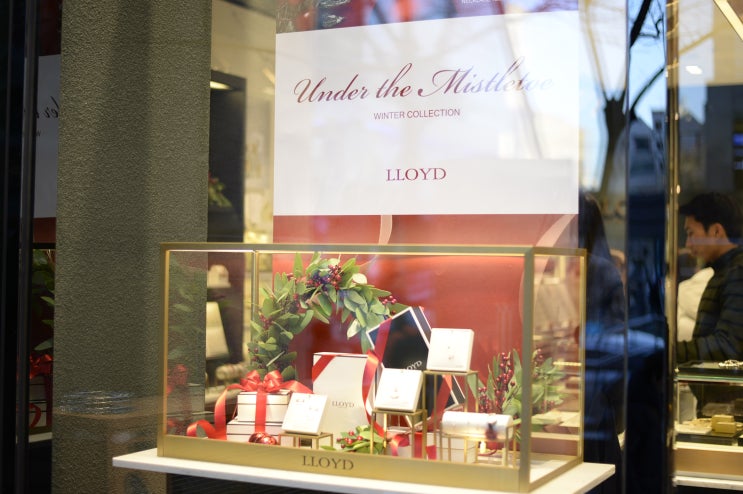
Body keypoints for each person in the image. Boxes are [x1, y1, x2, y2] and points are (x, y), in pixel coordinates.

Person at [676, 192, 743, 364]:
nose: (688, 244)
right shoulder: (724, 271)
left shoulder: (737, 272)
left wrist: (671, 353)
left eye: (691, 233)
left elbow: (728, 347)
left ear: (716, 231)